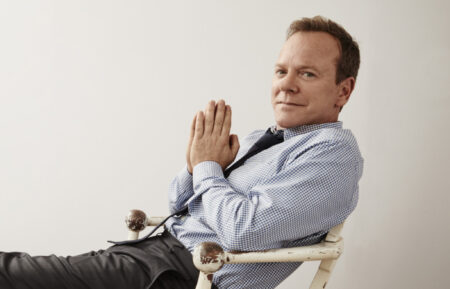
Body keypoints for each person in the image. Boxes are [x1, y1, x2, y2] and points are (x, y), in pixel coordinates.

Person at [0, 15, 363, 289]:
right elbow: (178, 203)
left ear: (343, 91)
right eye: (281, 71)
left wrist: (207, 166)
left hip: (189, 276)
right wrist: (196, 168)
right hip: (156, 253)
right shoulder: (260, 138)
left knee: (16, 274)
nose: (286, 84)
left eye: (308, 74)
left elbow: (244, 231)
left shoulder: (332, 154)